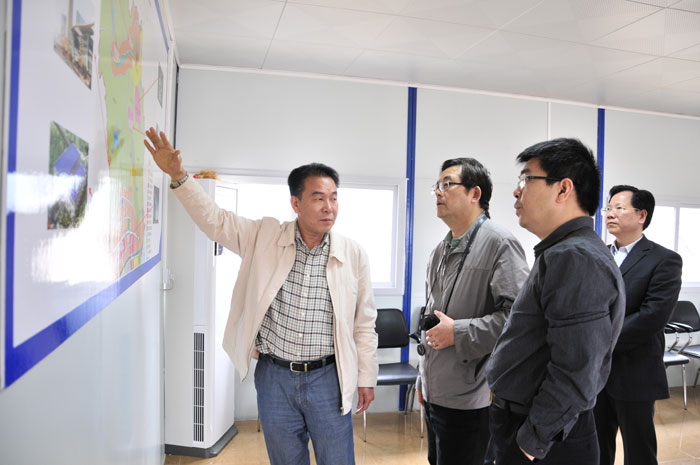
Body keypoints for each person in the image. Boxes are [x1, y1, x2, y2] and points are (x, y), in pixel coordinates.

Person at [144, 128, 378, 465]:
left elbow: (364, 324)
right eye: (318, 198)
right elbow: (215, 221)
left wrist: (367, 378)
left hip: (329, 377)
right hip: (275, 378)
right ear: (296, 203)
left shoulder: (353, 254)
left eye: (334, 198)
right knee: (285, 460)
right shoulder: (264, 236)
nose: (329, 207)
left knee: (337, 459)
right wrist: (179, 176)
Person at [485, 138, 626, 464]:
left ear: (563, 189)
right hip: (533, 427)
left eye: (526, 179)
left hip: (545, 439)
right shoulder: (563, 251)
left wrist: (529, 444)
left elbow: (576, 371)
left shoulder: (575, 257)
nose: (516, 191)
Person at [416, 157, 529, 465]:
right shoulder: (440, 250)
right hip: (436, 390)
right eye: (436, 186)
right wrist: (422, 379)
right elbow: (432, 320)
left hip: (473, 397)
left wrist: (458, 332)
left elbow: (518, 320)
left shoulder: (500, 243)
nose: (438, 192)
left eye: (447, 184)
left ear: (475, 193)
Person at [594, 185, 682, 465]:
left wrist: (597, 339)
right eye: (608, 208)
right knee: (595, 448)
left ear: (641, 215)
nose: (610, 214)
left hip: (634, 370)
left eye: (619, 208)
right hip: (594, 373)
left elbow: (652, 316)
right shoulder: (596, 254)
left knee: (639, 451)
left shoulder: (664, 259)